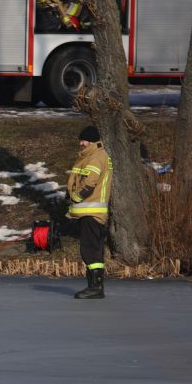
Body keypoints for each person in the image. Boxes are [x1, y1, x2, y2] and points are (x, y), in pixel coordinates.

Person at [67, 124, 112, 300]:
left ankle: (95, 287)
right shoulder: (96, 155)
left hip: (91, 212)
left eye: (83, 140)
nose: (81, 143)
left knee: (90, 250)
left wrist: (75, 198)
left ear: (91, 141)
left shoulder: (95, 157)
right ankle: (95, 286)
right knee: (94, 250)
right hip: (92, 212)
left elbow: (90, 183)